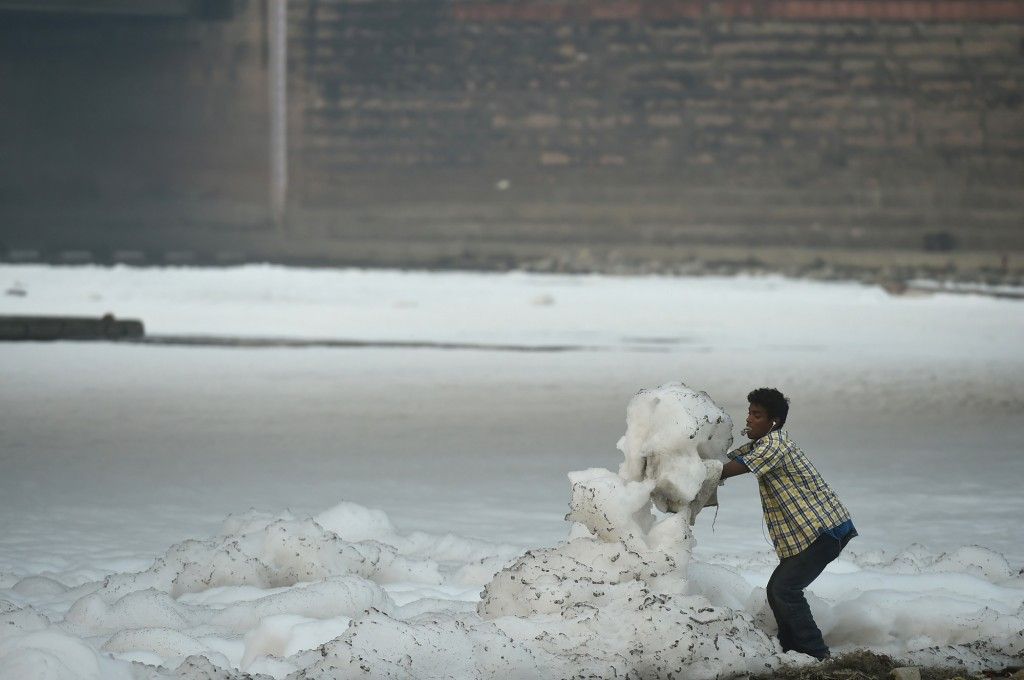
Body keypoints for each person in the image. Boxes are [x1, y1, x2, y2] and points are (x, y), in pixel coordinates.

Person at [719, 388, 857, 660]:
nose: (748, 419)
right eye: (749, 412)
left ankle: (817, 655)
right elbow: (731, 457)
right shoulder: (763, 443)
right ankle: (792, 650)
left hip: (824, 531)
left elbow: (726, 469)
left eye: (756, 415)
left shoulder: (774, 445)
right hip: (820, 531)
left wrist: (687, 471)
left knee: (785, 589)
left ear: (774, 421)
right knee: (778, 589)